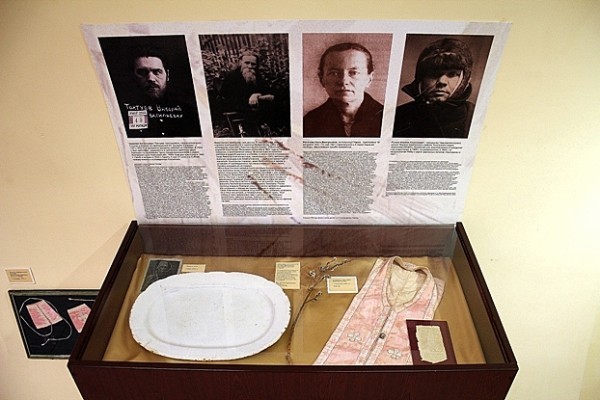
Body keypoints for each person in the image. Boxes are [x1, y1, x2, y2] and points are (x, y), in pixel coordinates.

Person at [393, 38, 475, 139]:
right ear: (420, 78)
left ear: (465, 80)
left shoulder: (476, 116)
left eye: (452, 74)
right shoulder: (398, 116)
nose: (442, 82)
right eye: (434, 74)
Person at [303, 42, 383, 138]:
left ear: (369, 79)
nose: (344, 81)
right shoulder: (309, 122)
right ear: (322, 79)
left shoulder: (386, 118)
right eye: (334, 73)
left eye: (354, 73)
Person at [121, 45, 201, 138]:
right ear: (133, 76)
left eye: (157, 72)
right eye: (142, 72)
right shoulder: (122, 111)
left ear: (167, 75)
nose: (151, 79)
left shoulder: (189, 110)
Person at [219, 50, 286, 137]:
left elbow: (266, 90)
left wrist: (256, 95)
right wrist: (257, 97)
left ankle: (277, 131)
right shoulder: (232, 76)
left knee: (280, 101)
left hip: (253, 104)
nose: (250, 66)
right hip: (237, 106)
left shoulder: (256, 75)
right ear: (240, 62)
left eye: (253, 64)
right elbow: (231, 98)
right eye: (247, 63)